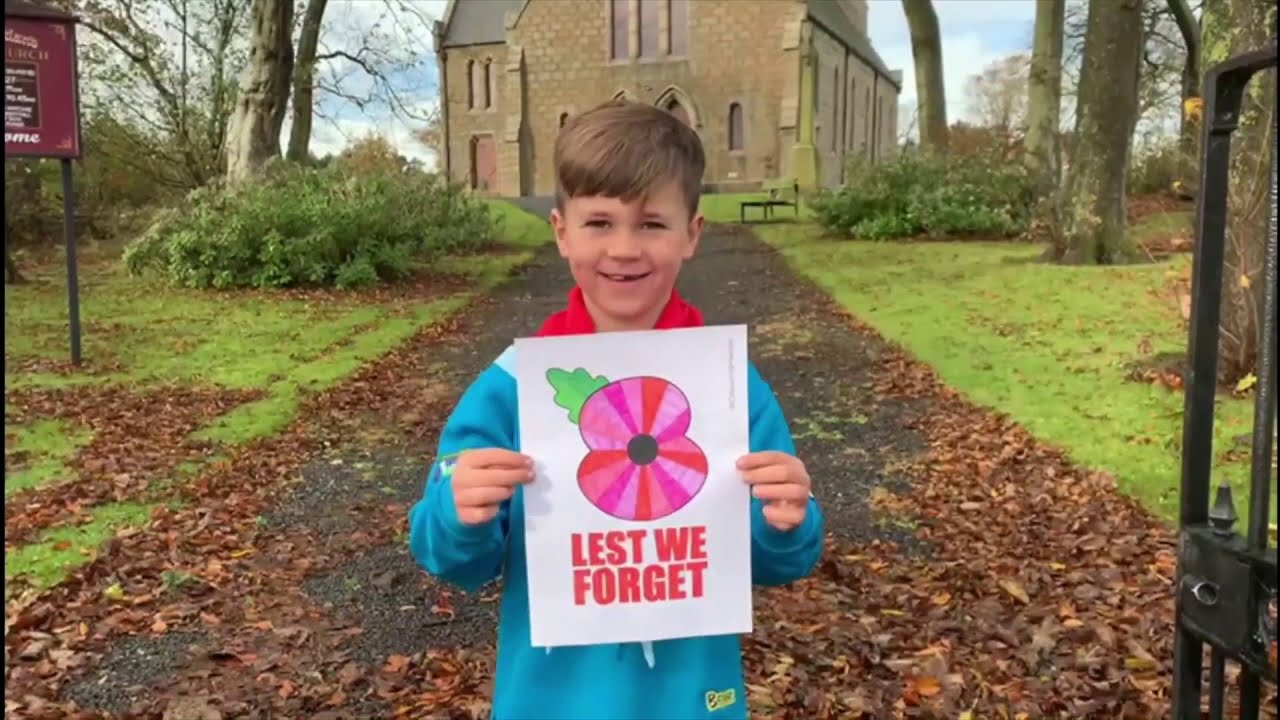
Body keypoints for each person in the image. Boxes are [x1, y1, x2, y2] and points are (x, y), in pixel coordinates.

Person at [408, 99, 825, 720]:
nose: (624, 248)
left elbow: (775, 560)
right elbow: (446, 553)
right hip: (549, 702)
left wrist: (787, 520)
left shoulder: (731, 387)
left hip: (693, 700)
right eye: (599, 222)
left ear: (692, 235)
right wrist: (457, 512)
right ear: (561, 232)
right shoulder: (514, 385)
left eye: (652, 223)